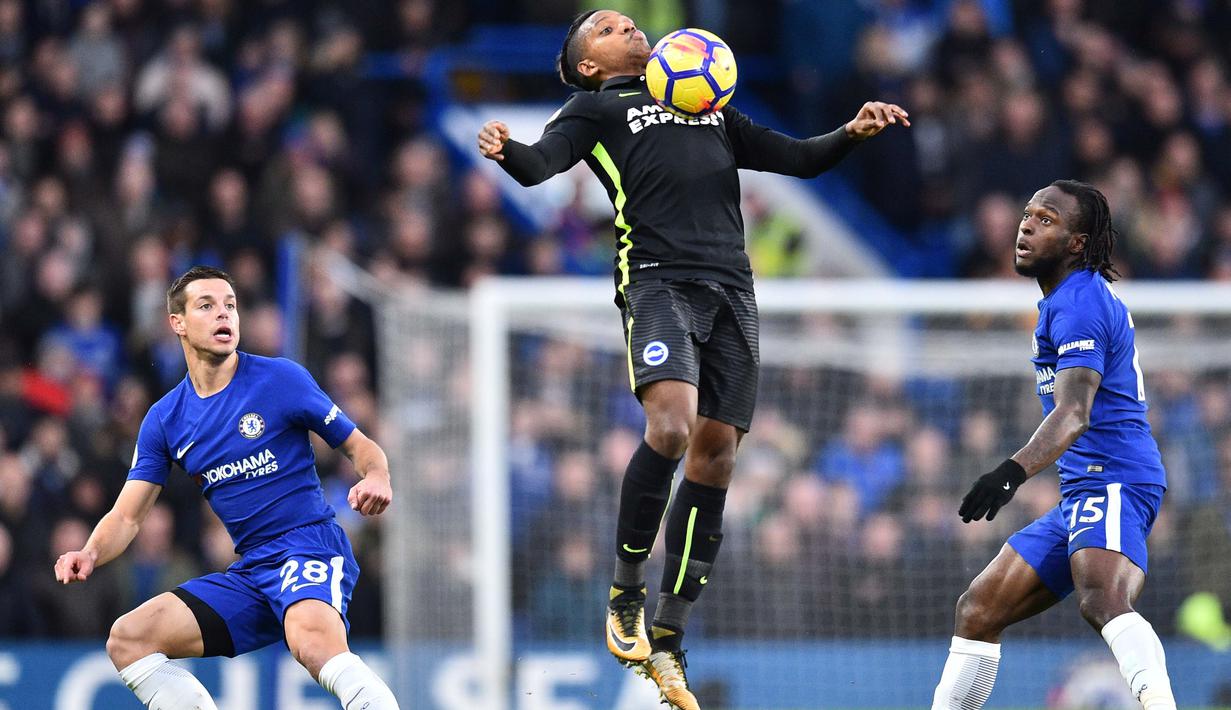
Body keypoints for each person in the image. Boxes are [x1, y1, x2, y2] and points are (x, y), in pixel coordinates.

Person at [476, 10, 908, 709]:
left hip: (732, 288)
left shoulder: (708, 105)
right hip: (657, 280)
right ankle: (625, 592)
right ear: (588, 64)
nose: (628, 28)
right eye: (609, 28)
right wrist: (506, 150)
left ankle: (669, 637)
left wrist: (850, 133)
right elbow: (540, 166)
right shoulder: (594, 108)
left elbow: (797, 158)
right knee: (671, 427)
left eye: (628, 22)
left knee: (716, 458)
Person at [53, 266, 399, 710]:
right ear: (177, 323)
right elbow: (127, 516)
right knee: (129, 639)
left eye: (230, 305)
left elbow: (359, 445)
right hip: (252, 572)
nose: (224, 314)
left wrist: (377, 475)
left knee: (311, 642)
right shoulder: (166, 419)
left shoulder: (280, 379)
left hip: (308, 547)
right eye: (207, 305)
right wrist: (91, 552)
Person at [931, 181, 1175, 710]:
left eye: (1046, 220)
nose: (1026, 226)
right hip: (1084, 488)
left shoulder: (1080, 303)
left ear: (1076, 243)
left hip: (1116, 478)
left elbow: (1074, 414)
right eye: (1027, 214)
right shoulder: (1063, 300)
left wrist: (1010, 473)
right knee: (979, 609)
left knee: (1103, 598)